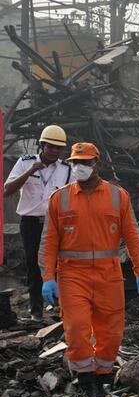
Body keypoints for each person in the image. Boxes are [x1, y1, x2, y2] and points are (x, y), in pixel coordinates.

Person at [39, 142, 139, 397]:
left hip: (108, 274)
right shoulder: (60, 199)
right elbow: (48, 242)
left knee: (111, 332)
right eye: (75, 163)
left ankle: (102, 375)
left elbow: (133, 236)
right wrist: (48, 277)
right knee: (78, 328)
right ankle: (86, 378)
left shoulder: (117, 196)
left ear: (97, 164)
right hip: (72, 275)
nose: (79, 167)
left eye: (85, 162)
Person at [3, 125, 71, 319]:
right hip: (31, 223)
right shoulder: (25, 163)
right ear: (42, 145)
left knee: (61, 263)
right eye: (51, 147)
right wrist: (30, 171)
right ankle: (36, 310)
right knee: (34, 264)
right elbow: (7, 191)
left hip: (55, 223)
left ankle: (61, 307)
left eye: (59, 148)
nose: (55, 151)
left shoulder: (66, 168)